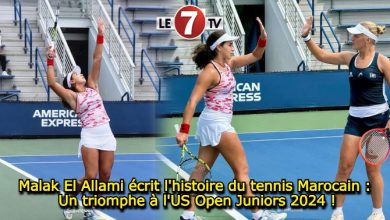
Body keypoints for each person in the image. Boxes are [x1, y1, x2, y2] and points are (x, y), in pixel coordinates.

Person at [176, 17, 287, 220]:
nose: (233, 48)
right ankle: (259, 214)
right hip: (217, 123)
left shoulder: (229, 64)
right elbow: (192, 101)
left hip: (215, 123)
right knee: (242, 169)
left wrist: (263, 39)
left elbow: (255, 55)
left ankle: (187, 214)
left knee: (200, 170)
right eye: (229, 44)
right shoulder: (209, 72)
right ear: (219, 48)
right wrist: (184, 130)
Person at [301, 16, 390, 220]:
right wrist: (306, 37)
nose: (352, 38)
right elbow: (322, 55)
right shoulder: (349, 58)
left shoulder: (382, 62)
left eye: (356, 35)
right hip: (355, 122)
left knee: (373, 171)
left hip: (378, 123)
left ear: (367, 39)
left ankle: (377, 213)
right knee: (344, 167)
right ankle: (338, 212)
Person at [46, 19, 116, 220]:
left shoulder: (93, 85)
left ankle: (90, 206)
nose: (81, 73)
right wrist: (50, 59)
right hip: (90, 137)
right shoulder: (73, 96)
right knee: (90, 176)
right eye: (76, 73)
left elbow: (97, 59)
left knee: (105, 177)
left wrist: (101, 34)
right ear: (72, 82)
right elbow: (51, 82)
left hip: (107, 134)